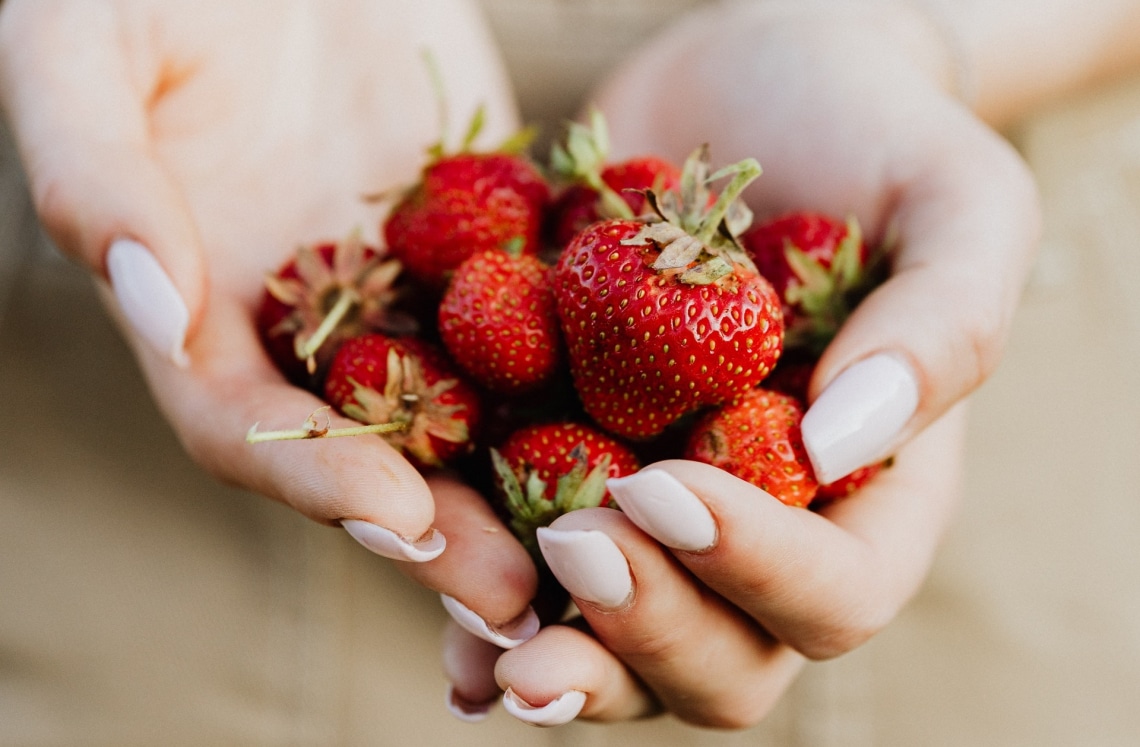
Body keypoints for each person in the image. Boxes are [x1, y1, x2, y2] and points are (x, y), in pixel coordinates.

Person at [0, 0, 1137, 741]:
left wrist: (919, 31)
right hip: (123, 516)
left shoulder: (620, 274)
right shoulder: (590, 276)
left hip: (1001, 503)